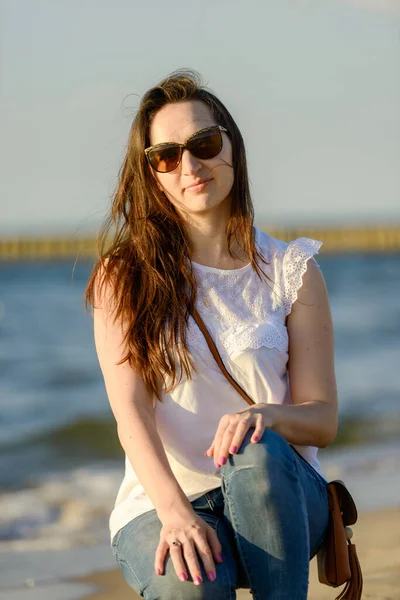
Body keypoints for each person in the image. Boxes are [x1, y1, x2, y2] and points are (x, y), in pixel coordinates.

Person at [84, 68, 338, 600]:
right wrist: (175, 513)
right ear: (151, 172)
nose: (190, 165)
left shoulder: (290, 268)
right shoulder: (123, 275)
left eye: (204, 143)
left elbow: (322, 420)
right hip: (165, 501)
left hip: (283, 496)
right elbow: (129, 413)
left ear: (231, 148)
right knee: (191, 584)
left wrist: (265, 417)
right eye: (167, 156)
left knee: (258, 448)